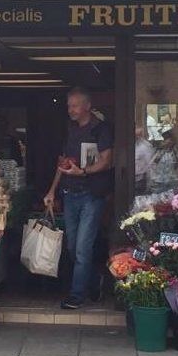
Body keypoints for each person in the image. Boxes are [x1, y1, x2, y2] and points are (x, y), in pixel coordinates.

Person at [44, 87, 113, 310]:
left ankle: (76, 295)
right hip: (69, 195)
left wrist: (82, 172)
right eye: (68, 106)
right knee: (73, 247)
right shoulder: (70, 129)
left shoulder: (101, 129)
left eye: (74, 106)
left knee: (83, 247)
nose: (70, 110)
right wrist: (52, 190)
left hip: (91, 195)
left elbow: (106, 161)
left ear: (87, 106)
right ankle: (94, 280)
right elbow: (61, 162)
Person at [134, 125, 155, 194]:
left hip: (139, 181)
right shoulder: (124, 145)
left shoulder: (145, 146)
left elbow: (150, 165)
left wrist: (150, 184)